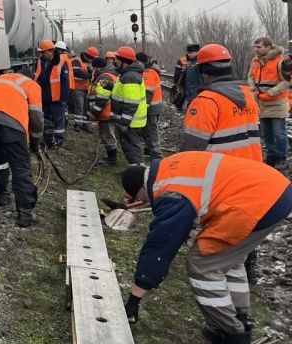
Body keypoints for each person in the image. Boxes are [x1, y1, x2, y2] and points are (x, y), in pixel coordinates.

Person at [120, 152, 292, 343]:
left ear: (142, 188)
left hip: (256, 202)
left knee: (202, 263)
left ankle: (231, 333)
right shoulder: (169, 167)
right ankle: (237, 316)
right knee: (228, 259)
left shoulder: (169, 192)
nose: (143, 202)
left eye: (139, 197)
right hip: (275, 190)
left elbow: (160, 246)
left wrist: (134, 299)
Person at [0, 72, 43, 227]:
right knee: (20, 166)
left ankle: (3, 195)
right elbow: (36, 118)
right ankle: (25, 214)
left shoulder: (0, 79)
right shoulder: (32, 85)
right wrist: (35, 142)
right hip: (11, 122)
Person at [180, 44, 261, 161]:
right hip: (252, 167)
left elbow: (192, 149)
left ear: (203, 72)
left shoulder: (206, 101)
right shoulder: (247, 93)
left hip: (221, 172)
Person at [247, 37, 289, 168]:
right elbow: (250, 76)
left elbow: (287, 82)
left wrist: (271, 93)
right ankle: (271, 156)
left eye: (259, 47)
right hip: (262, 103)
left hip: (277, 103)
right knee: (266, 133)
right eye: (255, 47)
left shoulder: (280, 62)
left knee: (279, 133)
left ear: (268, 47)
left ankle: (282, 158)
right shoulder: (255, 60)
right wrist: (252, 88)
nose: (256, 50)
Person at [110, 46, 147, 166]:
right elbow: (123, 92)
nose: (115, 61)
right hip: (131, 120)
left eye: (117, 59)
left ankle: (138, 172)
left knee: (132, 147)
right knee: (130, 146)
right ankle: (135, 169)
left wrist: (124, 123)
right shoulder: (127, 74)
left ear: (123, 61)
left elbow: (131, 103)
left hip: (131, 122)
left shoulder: (130, 76)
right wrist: (109, 86)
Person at [35, 40, 70, 148]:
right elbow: (38, 77)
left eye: (42, 52)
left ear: (50, 51)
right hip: (44, 96)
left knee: (58, 118)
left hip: (56, 97)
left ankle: (59, 138)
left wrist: (63, 98)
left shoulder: (60, 61)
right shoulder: (41, 61)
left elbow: (65, 81)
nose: (41, 54)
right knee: (46, 117)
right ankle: (48, 138)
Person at [88, 55, 118, 166]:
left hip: (106, 112)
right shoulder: (110, 75)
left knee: (107, 134)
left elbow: (102, 98)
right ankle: (111, 156)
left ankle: (112, 159)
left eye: (94, 68)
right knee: (108, 134)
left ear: (98, 68)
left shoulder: (103, 77)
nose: (93, 70)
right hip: (109, 111)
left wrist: (94, 113)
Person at [137, 52, 164, 159]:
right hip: (155, 106)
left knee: (151, 130)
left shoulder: (147, 72)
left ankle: (156, 154)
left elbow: (148, 92)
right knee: (147, 129)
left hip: (152, 107)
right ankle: (149, 150)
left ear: (140, 61)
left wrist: (145, 107)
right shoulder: (150, 70)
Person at [70, 46, 98, 131]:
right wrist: (90, 75)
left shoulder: (88, 64)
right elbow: (76, 72)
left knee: (86, 108)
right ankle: (78, 124)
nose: (92, 60)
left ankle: (85, 124)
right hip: (77, 88)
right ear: (89, 56)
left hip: (86, 89)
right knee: (79, 107)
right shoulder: (76, 61)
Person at [174, 43, 202, 110]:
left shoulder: (200, 62)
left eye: (191, 52)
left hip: (196, 91)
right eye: (188, 52)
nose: (189, 54)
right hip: (190, 91)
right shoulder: (190, 62)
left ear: (197, 52)